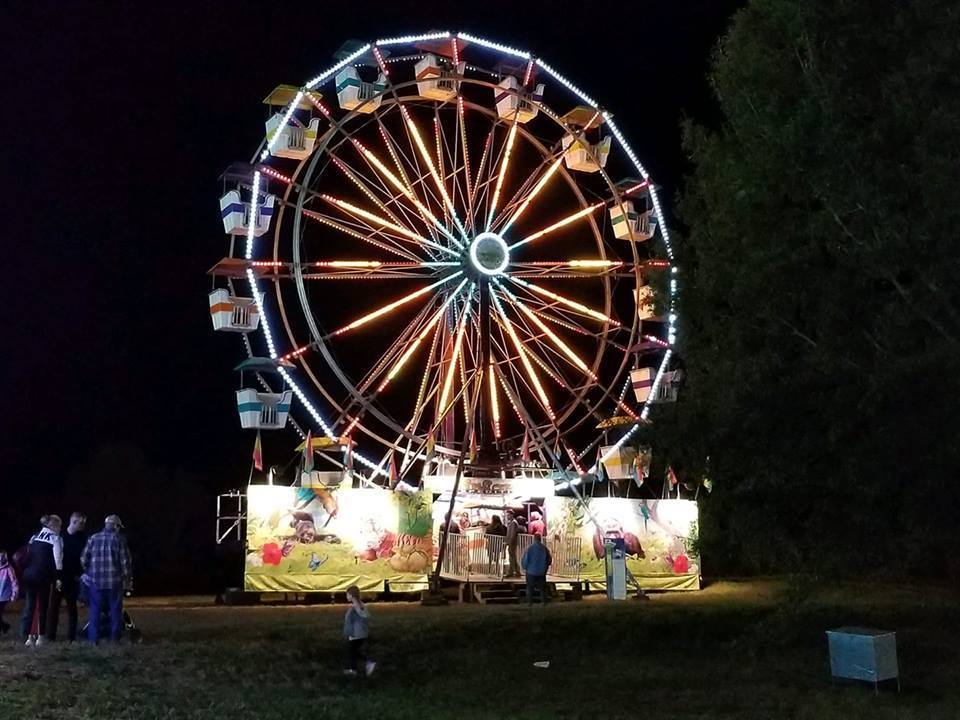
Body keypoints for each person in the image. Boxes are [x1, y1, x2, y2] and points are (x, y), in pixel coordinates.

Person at [81, 515, 133, 643]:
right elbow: (125, 562)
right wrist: (127, 579)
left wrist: (89, 571)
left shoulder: (93, 538)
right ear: (115, 526)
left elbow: (84, 558)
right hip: (115, 582)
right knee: (115, 611)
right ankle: (114, 639)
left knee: (95, 611)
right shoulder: (119, 539)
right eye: (119, 527)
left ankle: (93, 640)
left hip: (95, 582)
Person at [21, 515, 63, 646]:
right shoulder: (55, 538)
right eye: (59, 526)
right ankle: (40, 636)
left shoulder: (35, 536)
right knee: (43, 607)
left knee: (30, 606)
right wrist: (58, 577)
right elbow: (58, 560)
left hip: (29, 575)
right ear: (53, 526)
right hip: (43, 576)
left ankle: (28, 637)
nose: (60, 529)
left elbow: (27, 556)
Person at [47, 512, 86, 642]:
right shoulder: (60, 536)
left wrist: (79, 574)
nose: (83, 525)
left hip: (72, 578)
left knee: (72, 608)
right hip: (59, 577)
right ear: (73, 522)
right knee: (54, 607)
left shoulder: (83, 538)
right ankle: (51, 636)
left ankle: (71, 637)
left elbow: (83, 558)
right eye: (81, 523)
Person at [343, 586, 375, 677]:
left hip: (357, 634)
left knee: (352, 651)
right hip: (360, 633)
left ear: (351, 595)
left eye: (347, 594)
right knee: (353, 651)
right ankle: (354, 669)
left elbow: (363, 615)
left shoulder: (356, 606)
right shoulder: (359, 604)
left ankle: (366, 663)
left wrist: (352, 633)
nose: (346, 596)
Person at [521, 534, 552, 605]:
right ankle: (543, 601)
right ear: (540, 539)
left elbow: (525, 560)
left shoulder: (529, 548)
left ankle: (529, 602)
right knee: (542, 588)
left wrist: (525, 568)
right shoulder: (544, 549)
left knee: (530, 587)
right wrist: (545, 567)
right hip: (541, 572)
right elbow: (549, 560)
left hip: (531, 571)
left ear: (534, 539)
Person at [0, 551, 19, 634]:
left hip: (4, 596)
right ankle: (4, 626)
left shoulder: (8, 569)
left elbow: (14, 581)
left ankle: (4, 626)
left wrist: (14, 594)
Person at [504, 510, 520, 578]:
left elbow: (512, 534)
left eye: (508, 515)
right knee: (513, 557)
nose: (507, 516)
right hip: (510, 542)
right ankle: (516, 571)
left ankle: (511, 572)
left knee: (512, 557)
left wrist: (509, 542)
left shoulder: (513, 523)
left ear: (511, 515)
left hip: (512, 542)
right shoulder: (510, 522)